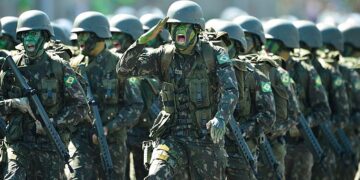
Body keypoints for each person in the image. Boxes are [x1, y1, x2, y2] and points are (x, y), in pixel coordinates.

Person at [117, 1, 238, 179]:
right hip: (171, 137)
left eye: (184, 26)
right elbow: (123, 70)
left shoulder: (215, 54)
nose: (178, 30)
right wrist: (144, 40)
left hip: (205, 139)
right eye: (173, 26)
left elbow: (230, 90)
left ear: (197, 28)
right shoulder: (162, 55)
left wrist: (220, 118)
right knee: (155, 176)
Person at [0, 10, 89, 179]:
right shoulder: (10, 67)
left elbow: (80, 106)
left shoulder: (60, 67)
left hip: (50, 147)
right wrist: (14, 103)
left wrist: (53, 123)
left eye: (33, 34)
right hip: (19, 146)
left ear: (45, 36)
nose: (29, 39)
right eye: (25, 35)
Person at [69, 11, 144, 179]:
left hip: (112, 144)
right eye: (78, 35)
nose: (79, 40)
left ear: (98, 35)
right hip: (81, 141)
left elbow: (135, 106)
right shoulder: (74, 65)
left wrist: (109, 128)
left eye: (84, 35)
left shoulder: (119, 65)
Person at [207, 19, 276, 180]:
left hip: (239, 151)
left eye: (225, 45)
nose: (219, 50)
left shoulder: (252, 74)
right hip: (207, 152)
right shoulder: (202, 72)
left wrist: (243, 130)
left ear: (237, 47)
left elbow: (268, 115)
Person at [264, 19, 331, 180]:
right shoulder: (265, 69)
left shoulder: (306, 72)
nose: (266, 50)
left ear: (285, 45)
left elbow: (323, 110)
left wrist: (302, 125)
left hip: (298, 147)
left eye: (271, 45)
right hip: (273, 144)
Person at [235, 16, 299, 179]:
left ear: (257, 42)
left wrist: (262, 129)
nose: (243, 42)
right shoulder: (230, 67)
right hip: (237, 145)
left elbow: (291, 116)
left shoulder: (273, 71)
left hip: (268, 146)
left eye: (247, 38)